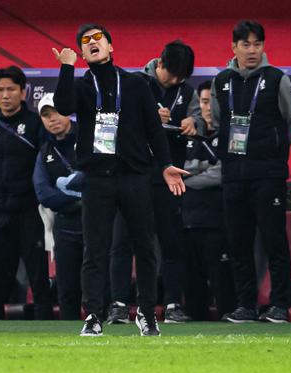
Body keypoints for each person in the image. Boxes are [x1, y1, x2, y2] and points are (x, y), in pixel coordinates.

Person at [52, 23, 188, 336]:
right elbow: (63, 106)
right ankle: (93, 315)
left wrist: (166, 164)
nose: (92, 42)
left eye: (98, 38)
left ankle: (147, 312)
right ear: (82, 53)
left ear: (111, 47)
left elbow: (154, 128)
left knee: (145, 246)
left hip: (134, 177)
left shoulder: (136, 83)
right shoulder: (82, 86)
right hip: (97, 179)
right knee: (95, 250)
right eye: (86, 41)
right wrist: (66, 67)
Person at [210, 20, 291, 324]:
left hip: (268, 174)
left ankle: (279, 306)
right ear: (234, 47)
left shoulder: (276, 79)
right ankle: (246, 306)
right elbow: (219, 122)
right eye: (246, 44)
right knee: (239, 243)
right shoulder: (222, 81)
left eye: (257, 44)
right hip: (233, 174)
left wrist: (272, 148)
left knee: (274, 241)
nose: (252, 50)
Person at [107, 40, 203, 324]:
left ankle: (172, 304)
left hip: (168, 177)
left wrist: (193, 124)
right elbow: (113, 121)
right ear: (159, 63)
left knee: (171, 243)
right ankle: (119, 304)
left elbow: (202, 121)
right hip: (132, 174)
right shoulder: (133, 83)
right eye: (171, 75)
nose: (174, 82)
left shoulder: (187, 92)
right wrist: (147, 115)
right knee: (123, 241)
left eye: (180, 78)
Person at [0, 66, 51, 320]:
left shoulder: (36, 124)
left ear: (23, 92)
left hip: (30, 212)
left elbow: (47, 165)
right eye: (0, 90)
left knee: (38, 278)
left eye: (11, 89)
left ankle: (46, 328)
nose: (5, 95)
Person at [181, 81, 236, 320]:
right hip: (186, 220)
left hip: (217, 221)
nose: (207, 107)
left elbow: (221, 173)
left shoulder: (230, 134)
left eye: (211, 101)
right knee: (191, 286)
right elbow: (175, 169)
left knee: (223, 283)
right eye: (203, 102)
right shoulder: (185, 136)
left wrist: (186, 179)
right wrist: (202, 167)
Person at [33, 93, 83, 320]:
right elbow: (44, 194)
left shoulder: (90, 138)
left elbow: (97, 178)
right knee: (67, 291)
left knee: (100, 288)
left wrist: (69, 190)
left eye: (56, 112)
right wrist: (78, 199)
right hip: (64, 227)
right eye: (46, 115)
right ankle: (67, 336)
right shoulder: (45, 151)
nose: (52, 118)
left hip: (95, 224)